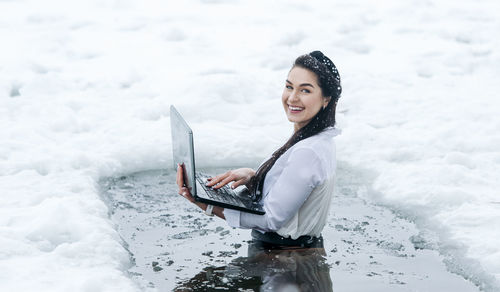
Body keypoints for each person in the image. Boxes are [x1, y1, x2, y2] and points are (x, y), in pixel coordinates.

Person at [176, 50, 341, 249]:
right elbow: (295, 188)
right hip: (292, 255)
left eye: (305, 90)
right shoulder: (318, 139)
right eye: (289, 87)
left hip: (286, 263)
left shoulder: (308, 151)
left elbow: (271, 219)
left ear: (326, 99)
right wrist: (255, 177)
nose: (292, 98)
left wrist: (208, 205)